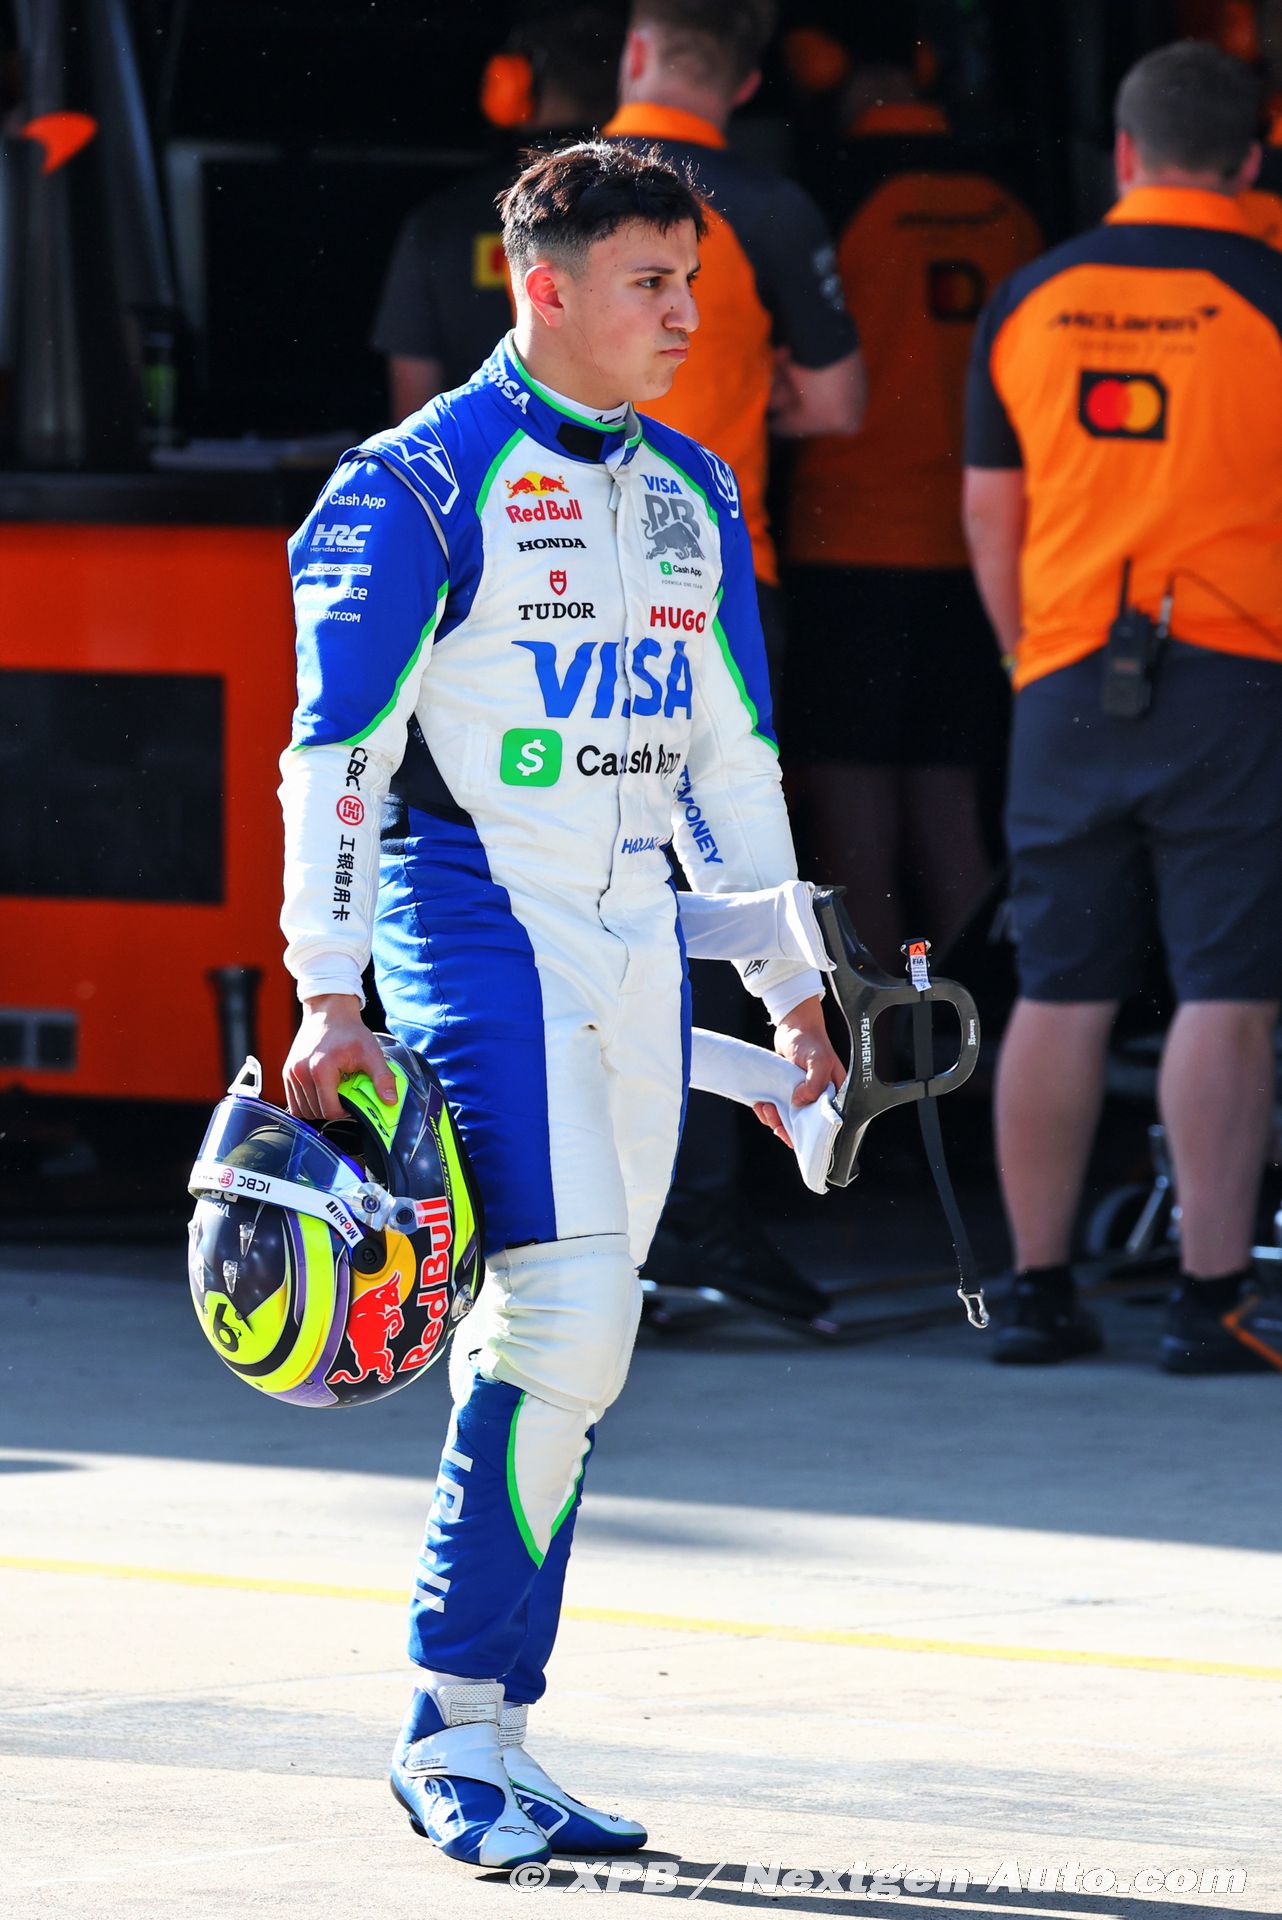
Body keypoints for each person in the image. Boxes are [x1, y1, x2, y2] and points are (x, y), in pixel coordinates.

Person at [278, 139, 844, 1868]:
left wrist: (794, 990)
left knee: (574, 1348)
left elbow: (731, 763)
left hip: (636, 943)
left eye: (692, 281)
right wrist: (325, 990)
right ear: (544, 286)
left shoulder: (693, 486)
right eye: (650, 283)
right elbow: (334, 757)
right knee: (568, 1322)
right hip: (475, 928)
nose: (686, 315)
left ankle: (495, 1737)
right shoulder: (412, 485)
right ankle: (450, 1731)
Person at [963, 39, 1282, 1375]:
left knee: (1058, 986)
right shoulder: (1265, 292)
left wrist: (1026, 658)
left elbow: (991, 510)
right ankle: (1207, 1300)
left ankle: (1034, 1290)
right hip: (1234, 675)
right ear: (1252, 160)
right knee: (1227, 989)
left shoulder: (1031, 297)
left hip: (1063, 676)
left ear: (1125, 153)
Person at [604, 0, 864, 1324]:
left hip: (542, 584)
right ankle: (696, 1207)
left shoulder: (547, 207)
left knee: (574, 883)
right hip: (706, 582)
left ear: (635, 52)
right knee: (711, 880)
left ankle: (590, 1211)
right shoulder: (760, 207)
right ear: (751, 80)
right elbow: (840, 400)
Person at [783, 18, 1040, 972]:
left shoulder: (830, 193)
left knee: (851, 800)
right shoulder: (1010, 198)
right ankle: (973, 1022)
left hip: (849, 533)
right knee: (950, 798)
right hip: (978, 542)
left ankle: (880, 1037)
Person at [369, 6, 622, 420]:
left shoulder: (438, 224)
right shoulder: (669, 219)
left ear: (512, 85)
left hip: (478, 462)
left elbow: (412, 418)